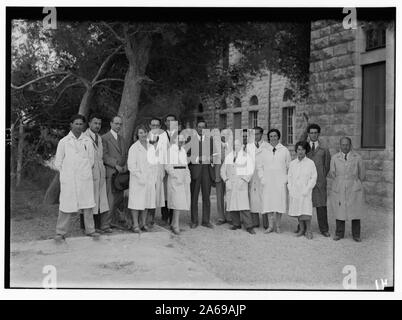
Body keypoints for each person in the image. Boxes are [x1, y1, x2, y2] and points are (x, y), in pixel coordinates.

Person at [54, 114, 99, 242]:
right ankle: (60, 232)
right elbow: (58, 162)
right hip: (69, 179)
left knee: (88, 204)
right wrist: (67, 174)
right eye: (76, 124)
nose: (79, 126)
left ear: (84, 125)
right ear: (71, 124)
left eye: (81, 124)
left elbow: (91, 160)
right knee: (66, 205)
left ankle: (90, 230)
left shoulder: (87, 141)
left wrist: (83, 171)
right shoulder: (64, 142)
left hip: (84, 178)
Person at [329, 137, 365, 242]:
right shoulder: (335, 158)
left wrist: (354, 182)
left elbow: (362, 175)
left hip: (353, 186)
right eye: (343, 145)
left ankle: (356, 235)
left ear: (351, 145)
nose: (345, 147)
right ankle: (339, 233)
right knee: (340, 210)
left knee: (355, 211)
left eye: (347, 144)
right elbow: (332, 173)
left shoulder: (357, 157)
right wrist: (341, 180)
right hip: (339, 186)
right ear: (340, 145)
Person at [220, 130, 255, 234]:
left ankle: (249, 226)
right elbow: (222, 170)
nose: (237, 146)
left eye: (238, 145)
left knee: (244, 206)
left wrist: (244, 180)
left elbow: (250, 170)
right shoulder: (229, 156)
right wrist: (226, 180)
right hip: (231, 183)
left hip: (241, 184)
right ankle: (236, 224)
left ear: (242, 146)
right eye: (235, 145)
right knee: (232, 205)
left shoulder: (246, 156)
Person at [257, 129, 291, 233]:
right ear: (268, 138)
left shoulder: (284, 150)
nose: (273, 138)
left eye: (275, 136)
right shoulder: (264, 151)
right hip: (268, 181)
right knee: (269, 203)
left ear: (278, 137)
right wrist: (262, 178)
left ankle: (278, 226)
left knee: (279, 204)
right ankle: (270, 226)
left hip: (280, 181)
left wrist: (285, 179)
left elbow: (289, 166)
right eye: (271, 136)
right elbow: (259, 166)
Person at [127, 125, 158, 233]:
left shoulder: (151, 147)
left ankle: (143, 223)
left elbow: (154, 164)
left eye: (145, 132)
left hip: (149, 179)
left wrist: (153, 179)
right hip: (138, 180)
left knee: (147, 202)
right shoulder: (134, 148)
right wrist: (140, 177)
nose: (143, 135)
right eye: (140, 133)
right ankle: (135, 224)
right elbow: (131, 166)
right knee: (136, 203)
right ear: (137, 135)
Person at [84, 114, 111, 233]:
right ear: (89, 123)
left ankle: (98, 225)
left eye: (99, 124)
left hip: (100, 171)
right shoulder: (85, 138)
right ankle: (87, 226)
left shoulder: (99, 138)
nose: (97, 126)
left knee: (99, 199)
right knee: (89, 199)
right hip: (89, 172)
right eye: (95, 123)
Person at [188, 119, 215, 229]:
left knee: (206, 197)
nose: (201, 129)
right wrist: (200, 158)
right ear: (196, 128)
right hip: (195, 171)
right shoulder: (190, 140)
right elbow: (188, 155)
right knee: (194, 197)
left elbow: (215, 154)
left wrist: (212, 158)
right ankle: (194, 221)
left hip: (206, 172)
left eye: (203, 127)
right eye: (199, 127)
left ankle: (206, 220)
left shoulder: (210, 140)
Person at [102, 116, 128, 229]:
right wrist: (115, 164)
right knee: (110, 199)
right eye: (116, 123)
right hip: (111, 172)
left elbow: (124, 155)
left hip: (121, 174)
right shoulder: (104, 138)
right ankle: (105, 224)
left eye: (120, 124)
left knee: (118, 199)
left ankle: (114, 221)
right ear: (111, 123)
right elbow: (104, 155)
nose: (118, 126)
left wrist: (125, 166)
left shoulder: (122, 139)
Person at [288, 141, 318, 240]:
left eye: (303, 149)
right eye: (299, 149)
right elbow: (290, 177)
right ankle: (301, 229)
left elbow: (313, 177)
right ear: (296, 150)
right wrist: (291, 189)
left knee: (306, 210)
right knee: (298, 210)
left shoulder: (310, 163)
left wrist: (307, 188)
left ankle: (308, 230)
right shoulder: (292, 163)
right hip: (295, 190)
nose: (300, 151)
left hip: (306, 190)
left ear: (306, 151)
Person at [305, 123, 331, 237]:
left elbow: (327, 165)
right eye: (311, 133)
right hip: (306, 181)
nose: (313, 135)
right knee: (304, 204)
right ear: (308, 134)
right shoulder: (304, 147)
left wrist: (321, 176)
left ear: (318, 134)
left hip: (320, 181)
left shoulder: (324, 148)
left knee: (321, 205)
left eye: (315, 133)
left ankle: (324, 229)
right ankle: (303, 227)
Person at [165, 134, 191, 235]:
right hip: (175, 178)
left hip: (183, 177)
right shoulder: (171, 150)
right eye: (179, 140)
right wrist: (175, 176)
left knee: (180, 202)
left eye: (182, 140)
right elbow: (167, 166)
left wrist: (188, 176)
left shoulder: (183, 151)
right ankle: (175, 225)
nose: (181, 142)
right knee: (176, 202)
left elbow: (185, 165)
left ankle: (173, 223)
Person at [158, 114, 178, 225]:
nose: (170, 123)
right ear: (165, 123)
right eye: (168, 121)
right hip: (164, 167)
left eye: (172, 121)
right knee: (165, 192)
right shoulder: (161, 136)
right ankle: (164, 215)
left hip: (175, 167)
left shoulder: (178, 136)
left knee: (174, 191)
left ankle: (173, 216)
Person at [248, 126, 269, 229]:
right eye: (254, 134)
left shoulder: (267, 146)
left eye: (257, 134)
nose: (255, 136)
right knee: (253, 199)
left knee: (264, 198)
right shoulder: (248, 146)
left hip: (263, 175)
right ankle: (255, 222)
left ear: (261, 134)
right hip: (252, 176)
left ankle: (266, 223)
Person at [148, 117, 166, 227]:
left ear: (160, 127)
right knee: (147, 195)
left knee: (155, 197)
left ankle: (151, 220)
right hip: (148, 171)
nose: (155, 127)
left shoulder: (163, 138)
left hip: (159, 170)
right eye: (153, 125)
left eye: (157, 125)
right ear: (149, 126)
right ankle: (145, 219)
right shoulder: (145, 137)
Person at [213, 128, 232, 225]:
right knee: (219, 196)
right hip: (218, 173)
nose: (224, 137)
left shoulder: (232, 147)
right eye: (222, 135)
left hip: (229, 174)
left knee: (229, 195)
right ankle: (221, 217)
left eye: (226, 135)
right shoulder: (215, 146)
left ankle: (229, 216)